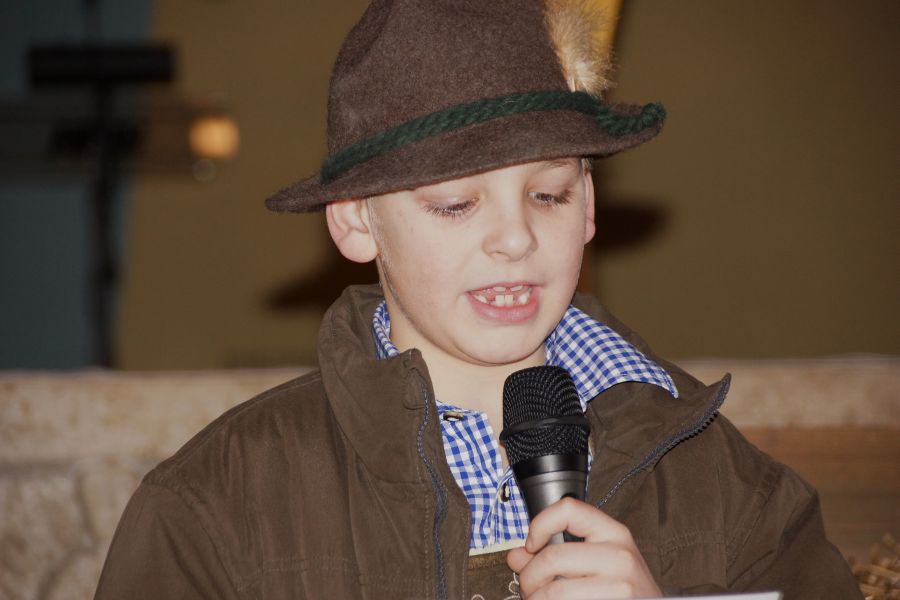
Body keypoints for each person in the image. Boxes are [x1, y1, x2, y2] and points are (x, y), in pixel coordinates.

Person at [95, 1, 861, 598]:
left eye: (549, 194)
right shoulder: (217, 502)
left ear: (589, 206)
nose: (516, 238)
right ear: (357, 221)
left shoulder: (724, 482)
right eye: (456, 204)